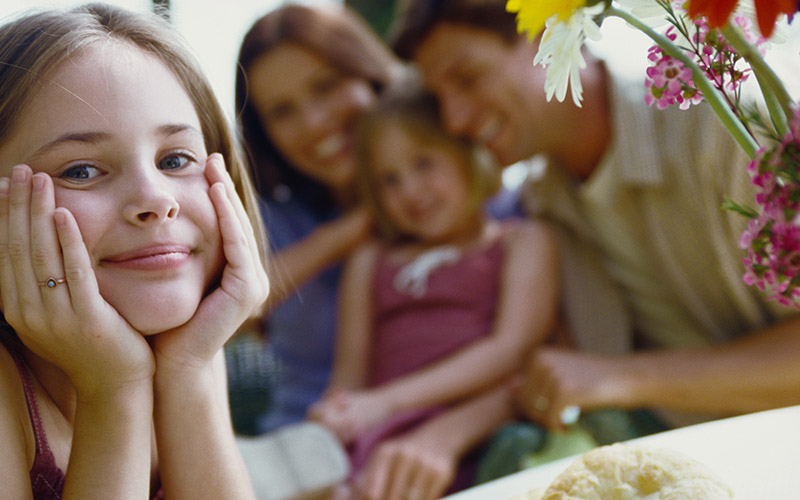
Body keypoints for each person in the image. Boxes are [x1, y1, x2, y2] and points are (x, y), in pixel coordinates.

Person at [390, 0, 800, 431]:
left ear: (549, 33)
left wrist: (625, 378)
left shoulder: (725, 125)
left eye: (468, 79)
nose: (453, 121)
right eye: (440, 100)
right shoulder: (538, 207)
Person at [0, 3, 270, 499]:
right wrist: (113, 389)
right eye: (80, 170)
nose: (155, 200)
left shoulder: (186, 345)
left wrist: (188, 371)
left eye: (175, 159)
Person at [307, 86, 560, 498]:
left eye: (424, 163)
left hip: (480, 432)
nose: (409, 190)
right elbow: (349, 377)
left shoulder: (521, 242)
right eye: (389, 179)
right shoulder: (371, 260)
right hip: (377, 433)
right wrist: (337, 411)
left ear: (467, 152)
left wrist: (385, 402)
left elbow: (511, 350)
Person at [233, 2, 405, 434]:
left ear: (370, 74)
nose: (314, 122)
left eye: (325, 86)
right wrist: (349, 231)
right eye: (282, 111)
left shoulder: (463, 196)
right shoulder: (270, 220)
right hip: (303, 447)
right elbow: (227, 318)